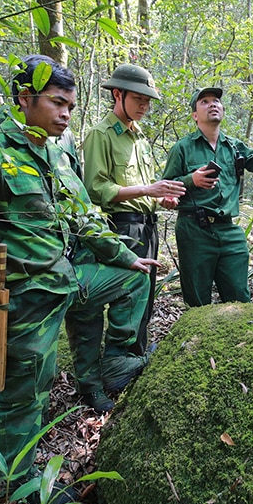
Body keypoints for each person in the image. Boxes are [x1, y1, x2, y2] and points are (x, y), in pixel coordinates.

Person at [0, 55, 158, 502]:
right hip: (21, 293)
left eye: (71, 107)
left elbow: (83, 215)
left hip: (67, 276)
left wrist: (122, 255)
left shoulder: (59, 151)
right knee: (23, 389)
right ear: (24, 98)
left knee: (134, 280)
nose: (65, 114)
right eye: (57, 103)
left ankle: (114, 363)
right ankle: (23, 485)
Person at [161, 87, 253, 307]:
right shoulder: (183, 148)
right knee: (197, 303)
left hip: (229, 231)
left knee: (239, 300)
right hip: (193, 230)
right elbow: (166, 188)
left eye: (216, 100)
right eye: (204, 102)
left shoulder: (234, 147)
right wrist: (191, 180)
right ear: (195, 115)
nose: (213, 104)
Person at [82, 64, 185, 356]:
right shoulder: (101, 135)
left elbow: (143, 187)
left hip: (146, 225)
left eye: (148, 100)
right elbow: (95, 188)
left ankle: (137, 353)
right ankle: (121, 359)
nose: (144, 105)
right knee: (128, 296)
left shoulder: (138, 137)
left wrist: (160, 199)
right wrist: (146, 190)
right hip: (121, 227)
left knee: (146, 294)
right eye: (138, 98)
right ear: (118, 94)